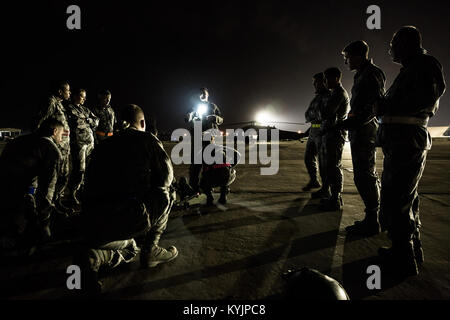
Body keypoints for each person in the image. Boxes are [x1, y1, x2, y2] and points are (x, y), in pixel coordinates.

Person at [77, 104, 177, 293]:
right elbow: (166, 178)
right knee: (167, 193)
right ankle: (150, 250)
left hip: (92, 219)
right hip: (125, 217)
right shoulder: (148, 139)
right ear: (142, 122)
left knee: (129, 246)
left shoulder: (103, 145)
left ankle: (94, 257)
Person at [376, 26, 446, 277]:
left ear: (407, 43)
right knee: (404, 197)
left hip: (408, 141)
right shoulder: (410, 69)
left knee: (397, 199)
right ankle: (408, 249)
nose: (391, 47)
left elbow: (426, 97)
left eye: (394, 42)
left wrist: (385, 104)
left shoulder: (425, 65)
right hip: (399, 142)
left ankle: (403, 258)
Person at [340, 41, 386, 236]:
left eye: (347, 57)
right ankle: (373, 217)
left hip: (365, 132)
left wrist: (352, 123)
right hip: (360, 131)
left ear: (359, 55)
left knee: (365, 175)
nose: (346, 61)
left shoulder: (371, 73)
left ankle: (373, 220)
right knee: (363, 175)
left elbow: (374, 106)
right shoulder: (362, 75)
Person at [0, 118, 64, 256]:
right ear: (54, 131)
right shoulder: (51, 150)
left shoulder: (17, 141)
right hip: (18, 191)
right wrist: (44, 219)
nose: (61, 138)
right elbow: (47, 187)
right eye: (61, 134)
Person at [34, 80, 72, 215]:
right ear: (59, 91)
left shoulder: (59, 104)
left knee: (63, 176)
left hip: (63, 147)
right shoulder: (50, 102)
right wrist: (41, 143)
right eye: (67, 90)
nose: (70, 93)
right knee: (51, 179)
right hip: (54, 148)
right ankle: (47, 209)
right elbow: (39, 122)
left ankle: (56, 202)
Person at [317, 67, 350, 211]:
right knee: (327, 165)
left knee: (333, 166)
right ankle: (330, 194)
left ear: (336, 78)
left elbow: (325, 113)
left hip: (335, 135)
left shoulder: (338, 94)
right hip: (329, 134)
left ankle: (336, 198)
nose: (324, 82)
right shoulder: (333, 93)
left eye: (327, 79)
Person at [185, 87, 223, 193]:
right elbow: (186, 117)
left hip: (210, 136)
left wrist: (215, 118)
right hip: (197, 136)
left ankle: (208, 187)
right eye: (200, 94)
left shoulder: (213, 106)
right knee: (195, 165)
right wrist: (189, 116)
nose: (202, 95)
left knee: (209, 163)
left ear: (208, 95)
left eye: (204, 93)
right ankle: (193, 187)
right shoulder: (193, 107)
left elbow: (221, 119)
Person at [66, 89, 99, 206]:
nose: (84, 99)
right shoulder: (69, 108)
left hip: (90, 143)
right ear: (75, 96)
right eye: (82, 96)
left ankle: (82, 192)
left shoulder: (85, 109)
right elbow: (76, 122)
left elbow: (96, 121)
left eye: (85, 97)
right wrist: (89, 121)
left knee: (89, 169)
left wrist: (88, 120)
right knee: (80, 169)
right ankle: (72, 193)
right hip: (79, 144)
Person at [301, 72, 330, 192]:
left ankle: (326, 187)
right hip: (313, 131)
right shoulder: (317, 98)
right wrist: (314, 115)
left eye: (316, 83)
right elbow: (307, 115)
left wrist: (315, 115)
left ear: (323, 82)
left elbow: (323, 115)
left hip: (322, 132)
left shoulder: (329, 96)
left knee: (323, 161)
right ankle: (314, 180)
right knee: (308, 158)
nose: (314, 85)